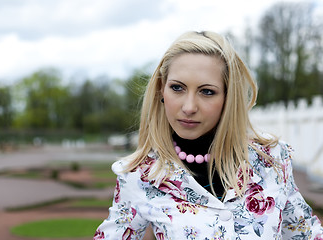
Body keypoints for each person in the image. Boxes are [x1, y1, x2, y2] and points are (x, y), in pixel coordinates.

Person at [94, 31, 323, 239]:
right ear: (161, 90)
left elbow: (305, 234)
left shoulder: (272, 159)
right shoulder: (139, 175)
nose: (189, 107)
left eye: (207, 92)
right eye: (177, 88)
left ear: (227, 97)